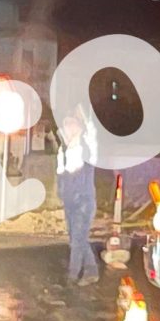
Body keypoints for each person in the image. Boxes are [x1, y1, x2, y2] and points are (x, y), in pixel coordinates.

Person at [56, 105, 100, 286]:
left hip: (84, 201)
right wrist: (62, 193)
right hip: (70, 202)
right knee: (77, 239)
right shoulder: (63, 151)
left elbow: (92, 132)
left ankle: (72, 277)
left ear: (79, 127)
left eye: (72, 124)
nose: (68, 127)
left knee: (77, 241)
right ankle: (91, 271)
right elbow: (60, 176)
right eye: (66, 124)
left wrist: (84, 113)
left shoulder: (86, 146)